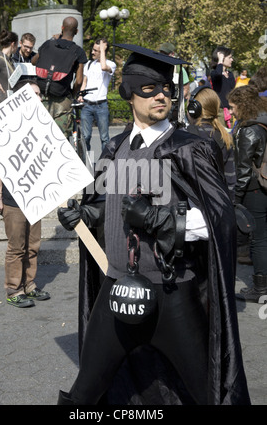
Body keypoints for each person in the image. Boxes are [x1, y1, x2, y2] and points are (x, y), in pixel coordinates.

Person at [57, 44, 250, 405]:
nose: (161, 95)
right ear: (128, 92)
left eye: (167, 89)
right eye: (149, 88)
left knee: (205, 391)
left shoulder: (189, 149)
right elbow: (104, 206)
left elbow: (219, 219)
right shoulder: (114, 148)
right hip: (117, 290)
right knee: (85, 392)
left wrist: (163, 220)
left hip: (173, 293)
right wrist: (83, 217)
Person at [0, 78, 50, 308]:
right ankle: (14, 289)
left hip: (34, 196)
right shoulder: (7, 125)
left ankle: (29, 286)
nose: (39, 98)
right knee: (16, 247)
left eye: (40, 94)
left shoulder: (40, 125)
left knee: (33, 245)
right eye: (34, 94)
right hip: (13, 198)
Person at [228, 85, 267, 303]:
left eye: (233, 107)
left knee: (258, 238)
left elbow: (243, 170)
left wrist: (237, 199)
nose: (230, 111)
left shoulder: (248, 129)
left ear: (243, 105)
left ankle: (261, 288)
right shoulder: (262, 120)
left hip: (254, 188)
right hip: (263, 183)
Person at [33, 16, 87, 138]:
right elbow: (79, 80)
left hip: (42, 98)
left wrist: (51, 41)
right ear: (76, 31)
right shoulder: (78, 52)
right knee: (59, 138)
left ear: (62, 28)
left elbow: (33, 61)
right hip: (62, 100)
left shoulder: (48, 44)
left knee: (40, 136)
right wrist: (73, 94)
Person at [186, 85, 236, 202]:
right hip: (219, 204)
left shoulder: (185, 136)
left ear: (194, 109)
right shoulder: (225, 137)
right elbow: (230, 178)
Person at [79, 38, 116, 151]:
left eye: (96, 50)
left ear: (103, 51)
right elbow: (85, 82)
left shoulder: (111, 64)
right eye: (93, 50)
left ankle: (104, 164)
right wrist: (81, 95)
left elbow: (104, 67)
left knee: (104, 138)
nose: (92, 52)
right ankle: (86, 162)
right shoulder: (89, 64)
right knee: (86, 137)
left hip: (101, 105)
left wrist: (103, 49)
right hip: (87, 105)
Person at [210, 46, 235, 129]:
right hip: (220, 112)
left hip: (230, 110)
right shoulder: (214, 74)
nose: (232, 60)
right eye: (230, 57)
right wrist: (220, 60)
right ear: (221, 57)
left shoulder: (230, 74)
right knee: (222, 136)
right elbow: (218, 74)